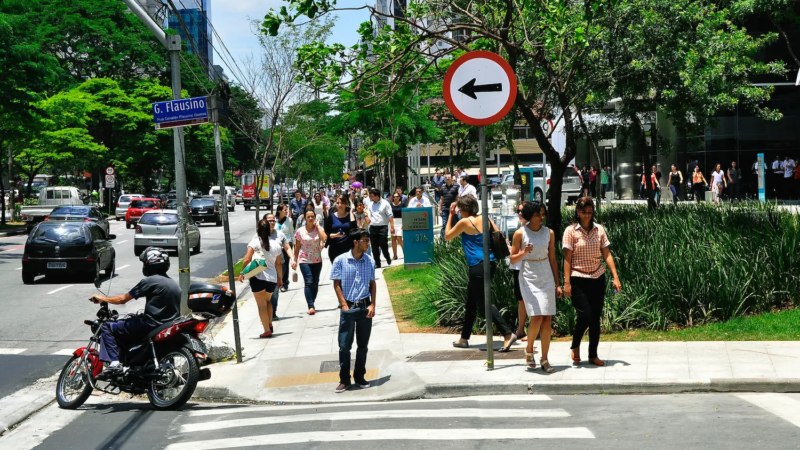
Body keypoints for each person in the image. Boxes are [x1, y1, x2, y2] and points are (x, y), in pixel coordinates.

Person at [89, 247, 180, 378]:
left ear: (149, 263)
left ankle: (114, 365)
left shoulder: (150, 281)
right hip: (166, 325)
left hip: (149, 325)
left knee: (107, 326)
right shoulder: (173, 283)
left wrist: (101, 298)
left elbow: (122, 299)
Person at [445, 195, 516, 351]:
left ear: (463, 209)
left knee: (484, 303)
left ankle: (507, 334)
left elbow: (447, 236)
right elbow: (499, 236)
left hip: (477, 266)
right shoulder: (486, 219)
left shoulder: (464, 222)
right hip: (490, 264)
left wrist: (451, 215)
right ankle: (464, 338)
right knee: (471, 302)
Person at [562, 197, 622, 367]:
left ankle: (593, 355)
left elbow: (607, 254)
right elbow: (567, 259)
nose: (587, 215)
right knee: (585, 315)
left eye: (590, 212)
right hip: (578, 277)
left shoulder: (599, 230)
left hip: (597, 276)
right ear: (577, 212)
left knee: (595, 318)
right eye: (584, 212)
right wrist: (566, 283)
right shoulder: (570, 231)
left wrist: (615, 277)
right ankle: (575, 344)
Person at [511, 201, 562, 373]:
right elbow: (512, 259)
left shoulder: (549, 233)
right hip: (528, 276)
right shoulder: (520, 234)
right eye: (537, 215)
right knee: (537, 317)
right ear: (528, 216)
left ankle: (545, 359)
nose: (541, 218)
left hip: (545, 274)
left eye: (542, 214)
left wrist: (558, 283)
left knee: (547, 318)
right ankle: (529, 349)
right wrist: (524, 252)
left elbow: (553, 259)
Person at [332, 228, 376, 393]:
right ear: (355, 242)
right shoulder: (340, 261)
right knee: (344, 346)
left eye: (368, 240)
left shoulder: (369, 261)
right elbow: (336, 284)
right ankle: (344, 379)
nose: (368, 243)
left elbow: (373, 284)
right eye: (365, 240)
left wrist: (373, 304)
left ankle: (360, 376)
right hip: (348, 307)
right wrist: (343, 304)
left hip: (365, 306)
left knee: (363, 345)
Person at [239, 219, 283, 338]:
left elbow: (247, 259)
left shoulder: (254, 242)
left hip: (257, 277)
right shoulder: (276, 244)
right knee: (268, 301)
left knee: (261, 305)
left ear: (257, 229)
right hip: (272, 278)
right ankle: (269, 323)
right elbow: (278, 263)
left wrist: (242, 272)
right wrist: (280, 278)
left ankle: (266, 330)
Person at [293, 210, 326, 315]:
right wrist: (295, 259)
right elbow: (297, 246)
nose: (310, 219)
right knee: (309, 282)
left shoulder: (318, 229)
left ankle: (312, 301)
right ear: (305, 218)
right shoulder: (300, 231)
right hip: (304, 260)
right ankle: (310, 306)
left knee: (315, 282)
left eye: (312, 216)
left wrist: (319, 226)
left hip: (317, 260)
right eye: (308, 217)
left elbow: (324, 238)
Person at [264, 213, 292, 318]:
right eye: (269, 220)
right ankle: (266, 311)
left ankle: (272, 312)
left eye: (273, 221)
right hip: (264, 268)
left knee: (275, 291)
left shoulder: (280, 234)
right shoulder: (259, 235)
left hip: (278, 266)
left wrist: (293, 259)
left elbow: (287, 247)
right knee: (266, 292)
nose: (271, 222)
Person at [510, 202, 530, 342]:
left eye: (523, 211)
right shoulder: (519, 230)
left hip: (530, 269)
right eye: (518, 211)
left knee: (531, 299)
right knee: (521, 300)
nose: (520, 213)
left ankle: (533, 329)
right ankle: (521, 329)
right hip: (518, 268)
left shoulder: (533, 230)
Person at [367, 188, 394, 268]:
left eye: (372, 196)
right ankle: (377, 262)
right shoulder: (370, 204)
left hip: (383, 227)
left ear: (377, 196)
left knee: (383, 244)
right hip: (373, 227)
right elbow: (368, 214)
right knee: (374, 247)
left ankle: (387, 256)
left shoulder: (385, 204)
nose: (370, 197)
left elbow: (390, 215)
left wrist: (392, 226)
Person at [324, 196, 354, 264]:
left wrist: (351, 212)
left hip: (348, 248)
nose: (340, 205)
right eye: (338, 203)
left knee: (348, 270)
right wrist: (335, 235)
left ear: (346, 204)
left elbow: (354, 229)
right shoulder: (331, 217)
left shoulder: (351, 216)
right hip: (335, 248)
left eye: (342, 203)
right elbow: (326, 233)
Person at [274, 204, 294, 293]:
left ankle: (285, 283)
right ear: (279, 211)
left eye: (287, 209)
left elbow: (291, 232)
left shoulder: (289, 220)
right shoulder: (274, 220)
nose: (286, 211)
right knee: (277, 263)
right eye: (285, 209)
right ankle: (278, 280)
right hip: (277, 244)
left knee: (285, 264)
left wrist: (294, 244)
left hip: (287, 244)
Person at [439, 174, 459, 239]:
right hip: (444, 208)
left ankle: (454, 240)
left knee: (454, 225)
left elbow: (457, 198)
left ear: (452, 178)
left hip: (453, 209)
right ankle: (443, 241)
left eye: (449, 177)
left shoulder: (456, 186)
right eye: (446, 177)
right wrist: (440, 209)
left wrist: (457, 207)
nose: (447, 178)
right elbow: (441, 199)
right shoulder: (443, 186)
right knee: (444, 225)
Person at [390, 192, 405, 260]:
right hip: (393, 222)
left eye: (397, 197)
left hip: (400, 221)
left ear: (399, 197)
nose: (395, 198)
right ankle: (395, 255)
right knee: (393, 239)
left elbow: (405, 214)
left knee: (399, 238)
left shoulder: (402, 204)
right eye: (394, 197)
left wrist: (404, 223)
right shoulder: (391, 205)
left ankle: (405, 252)